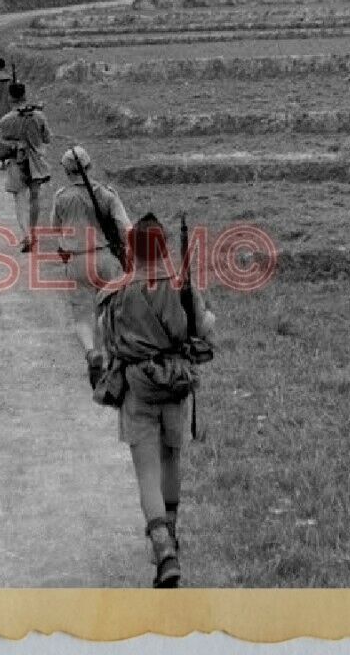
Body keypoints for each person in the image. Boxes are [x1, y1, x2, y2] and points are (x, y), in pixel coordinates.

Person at [98, 213, 215, 589]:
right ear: (164, 246)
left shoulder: (116, 291)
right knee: (170, 459)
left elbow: (110, 342)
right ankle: (173, 534)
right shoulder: (179, 284)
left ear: (131, 250)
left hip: (137, 388)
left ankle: (163, 549)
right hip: (176, 383)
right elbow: (203, 331)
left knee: (146, 471)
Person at [51, 144, 132, 360]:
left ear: (66, 172)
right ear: (91, 166)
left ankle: (90, 352)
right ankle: (107, 352)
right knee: (108, 310)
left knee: (81, 315)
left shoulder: (61, 197)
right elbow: (126, 228)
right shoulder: (107, 194)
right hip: (106, 258)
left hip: (77, 261)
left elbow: (56, 228)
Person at [0, 82, 51, 252]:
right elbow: (47, 138)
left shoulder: (5, 120)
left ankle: (26, 235)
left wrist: (14, 144)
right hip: (36, 162)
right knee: (34, 198)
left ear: (10, 97)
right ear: (25, 95)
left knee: (19, 200)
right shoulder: (39, 116)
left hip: (16, 162)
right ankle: (33, 233)